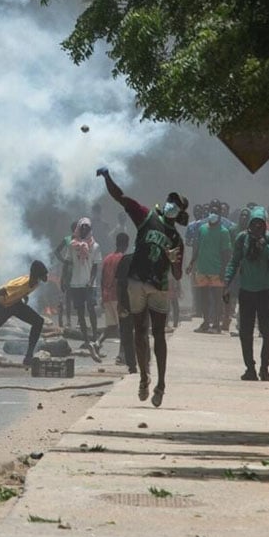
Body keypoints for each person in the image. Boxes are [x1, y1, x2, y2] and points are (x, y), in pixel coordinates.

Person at [97, 167, 186, 407]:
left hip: (158, 286)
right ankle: (145, 377)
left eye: (176, 204)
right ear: (165, 203)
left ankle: (162, 384)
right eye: (171, 201)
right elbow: (121, 197)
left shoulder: (177, 239)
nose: (172, 205)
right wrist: (107, 178)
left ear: (179, 213)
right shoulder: (147, 217)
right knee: (139, 330)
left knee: (158, 334)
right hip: (136, 281)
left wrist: (173, 260)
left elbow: (177, 274)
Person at [224, 206, 269, 381]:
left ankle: (265, 367)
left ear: (264, 224)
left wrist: (263, 246)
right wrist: (227, 283)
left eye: (260, 224)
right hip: (246, 291)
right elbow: (234, 261)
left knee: (267, 331)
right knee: (245, 332)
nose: (256, 227)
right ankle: (250, 368)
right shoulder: (242, 238)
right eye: (254, 223)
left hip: (265, 290)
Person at [0, 261, 49, 365]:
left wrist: (23, 296)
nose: (44, 278)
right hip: (0, 303)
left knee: (38, 321)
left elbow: (21, 292)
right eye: (42, 275)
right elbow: (3, 291)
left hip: (14, 304)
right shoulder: (24, 283)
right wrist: (0, 312)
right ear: (36, 275)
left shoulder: (34, 282)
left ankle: (29, 356)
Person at [61, 217, 103, 362]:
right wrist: (63, 279)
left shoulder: (95, 246)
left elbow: (95, 267)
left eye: (87, 227)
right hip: (75, 283)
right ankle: (86, 339)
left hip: (89, 285)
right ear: (79, 229)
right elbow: (67, 263)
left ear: (90, 229)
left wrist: (91, 281)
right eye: (82, 227)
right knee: (79, 312)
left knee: (91, 309)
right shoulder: (72, 246)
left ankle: (95, 338)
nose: (84, 230)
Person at [187, 208, 232, 332]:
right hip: (202, 268)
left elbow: (226, 253)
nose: (213, 215)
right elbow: (197, 247)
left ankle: (216, 324)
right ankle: (206, 322)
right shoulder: (202, 229)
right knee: (204, 298)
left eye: (216, 213)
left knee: (217, 298)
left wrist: (224, 270)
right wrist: (191, 263)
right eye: (211, 212)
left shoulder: (224, 232)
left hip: (217, 270)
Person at [101, 233, 130, 353]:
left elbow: (101, 278)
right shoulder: (123, 259)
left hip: (107, 295)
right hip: (118, 297)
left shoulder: (107, 258)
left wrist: (102, 295)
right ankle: (121, 354)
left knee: (112, 326)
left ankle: (97, 343)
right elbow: (123, 281)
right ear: (126, 244)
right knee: (124, 327)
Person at [114, 248, 138, 373]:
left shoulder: (126, 259)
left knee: (127, 335)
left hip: (127, 304)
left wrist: (119, 303)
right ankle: (140, 362)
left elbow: (118, 283)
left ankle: (132, 365)